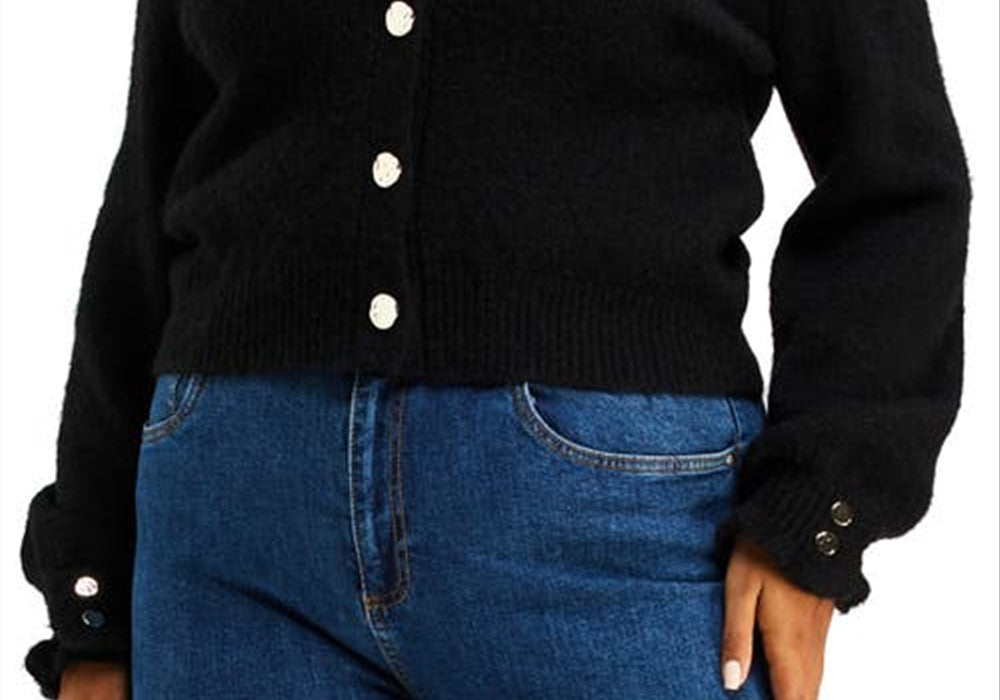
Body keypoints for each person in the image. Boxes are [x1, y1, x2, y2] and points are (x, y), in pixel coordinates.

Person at [19, 0, 971, 698]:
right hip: (233, 534)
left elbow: (897, 178)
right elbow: (151, 184)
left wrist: (819, 510)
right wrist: (93, 595)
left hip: (607, 529)